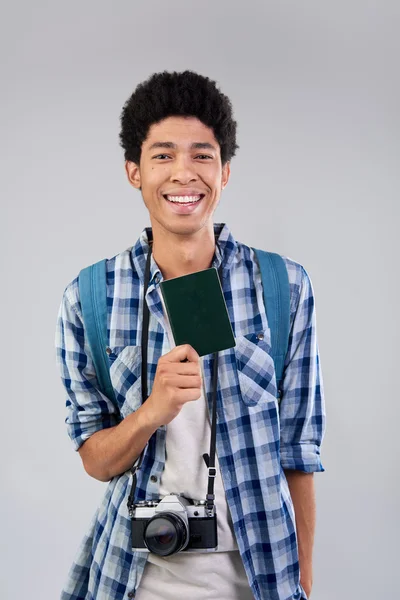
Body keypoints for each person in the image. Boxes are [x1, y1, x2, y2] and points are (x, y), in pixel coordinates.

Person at [55, 70, 326, 600]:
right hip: (132, 577)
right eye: (162, 155)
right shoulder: (89, 296)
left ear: (225, 172)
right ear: (134, 171)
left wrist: (303, 579)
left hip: (260, 576)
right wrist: (152, 410)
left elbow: (299, 451)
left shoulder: (284, 287)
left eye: (202, 155)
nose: (184, 173)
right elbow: (95, 459)